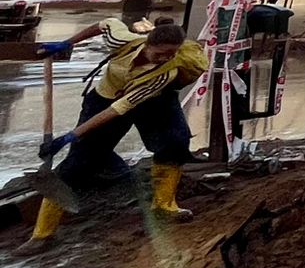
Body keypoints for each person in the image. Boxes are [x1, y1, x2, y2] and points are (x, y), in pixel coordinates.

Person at [24, 21, 211, 248]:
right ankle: (42, 235)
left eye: (172, 54)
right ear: (148, 44)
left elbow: (120, 108)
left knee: (174, 143)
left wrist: (70, 136)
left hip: (152, 101)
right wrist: (66, 42)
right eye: (161, 53)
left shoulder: (165, 74)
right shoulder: (123, 41)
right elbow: (105, 24)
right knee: (78, 162)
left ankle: (164, 205)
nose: (166, 58)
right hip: (103, 98)